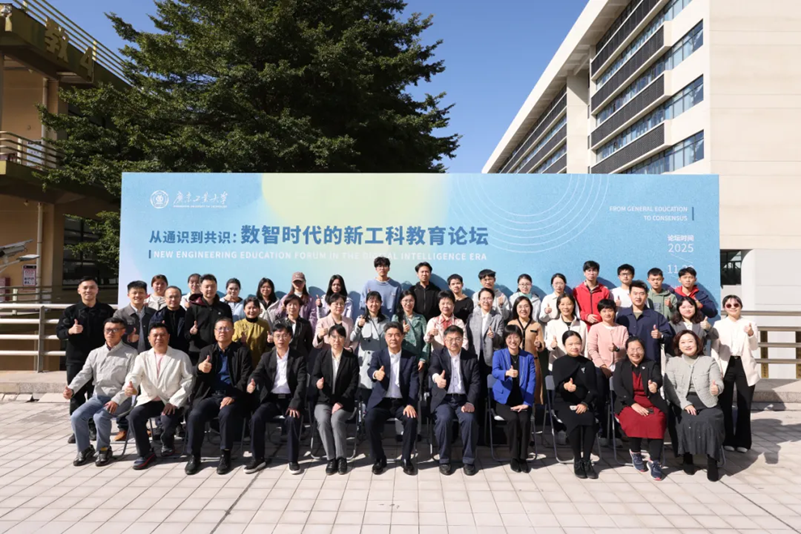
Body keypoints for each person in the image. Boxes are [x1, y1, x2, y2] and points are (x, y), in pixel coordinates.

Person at [64, 317, 138, 467]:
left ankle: (104, 449)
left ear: (123, 332)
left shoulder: (131, 353)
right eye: (107, 330)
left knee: (100, 417)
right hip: (98, 397)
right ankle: (84, 449)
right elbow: (84, 374)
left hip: (121, 399)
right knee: (77, 416)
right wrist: (71, 388)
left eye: (115, 330)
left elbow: (130, 381)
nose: (110, 333)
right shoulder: (95, 353)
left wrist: (116, 400)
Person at [185, 317, 252, 475]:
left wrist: (233, 396)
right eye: (219, 329)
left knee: (226, 413)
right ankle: (194, 455)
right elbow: (194, 372)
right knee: (195, 415)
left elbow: (245, 378)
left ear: (233, 332)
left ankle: (225, 454)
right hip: (211, 396)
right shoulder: (206, 351)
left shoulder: (242, 351)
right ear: (215, 333)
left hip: (234, 396)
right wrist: (200, 368)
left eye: (227, 328)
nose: (223, 331)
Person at [123, 323, 194, 470]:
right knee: (134, 416)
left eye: (162, 335)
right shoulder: (142, 357)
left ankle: (167, 441)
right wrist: (130, 386)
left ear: (168, 337)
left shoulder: (180, 356)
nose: (159, 338)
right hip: (149, 399)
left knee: (167, 420)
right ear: (149, 338)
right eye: (155, 335)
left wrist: (174, 401)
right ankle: (145, 453)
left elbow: (189, 380)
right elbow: (134, 375)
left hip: (171, 400)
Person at [56, 276, 115, 444]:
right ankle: (78, 429)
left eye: (92, 287)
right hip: (77, 359)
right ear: (79, 290)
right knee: (76, 393)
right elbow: (59, 332)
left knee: (96, 394)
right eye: (85, 288)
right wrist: (71, 331)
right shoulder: (71, 311)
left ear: (97, 290)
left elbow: (116, 330)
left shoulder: (106, 311)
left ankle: (93, 427)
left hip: (101, 360)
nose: (88, 290)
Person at [245, 322, 307, 475]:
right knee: (256, 418)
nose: (281, 339)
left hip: (290, 399)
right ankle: (258, 458)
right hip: (271, 399)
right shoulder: (266, 357)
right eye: (277, 336)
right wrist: (252, 382)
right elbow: (257, 373)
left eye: (284, 335)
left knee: (292, 420)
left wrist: (295, 404)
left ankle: (292, 460)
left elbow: (302, 383)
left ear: (290, 337)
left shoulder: (298, 358)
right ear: (272, 338)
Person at [664, 330, 725, 481]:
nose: (687, 345)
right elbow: (670, 389)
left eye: (690, 341)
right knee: (685, 422)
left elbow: (718, 381)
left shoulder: (709, 361)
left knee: (710, 423)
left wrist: (716, 388)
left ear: (697, 343)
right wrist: (685, 404)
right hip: (682, 402)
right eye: (683, 342)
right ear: (678, 346)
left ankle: (712, 460)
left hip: (707, 401)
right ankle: (687, 457)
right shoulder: (673, 362)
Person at [365, 322, 420, 476]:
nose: (393, 338)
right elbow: (371, 369)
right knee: (369, 420)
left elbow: (414, 383)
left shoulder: (411, 357)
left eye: (397, 335)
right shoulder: (378, 355)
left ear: (402, 336)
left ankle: (406, 458)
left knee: (411, 420)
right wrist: (376, 374)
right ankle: (379, 458)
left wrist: (411, 404)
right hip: (381, 402)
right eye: (390, 335)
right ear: (385, 337)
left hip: (402, 403)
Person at [613, 336, 668, 481]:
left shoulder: (651, 364)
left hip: (651, 401)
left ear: (644, 350)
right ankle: (635, 452)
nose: (635, 353)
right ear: (626, 351)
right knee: (635, 418)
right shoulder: (621, 365)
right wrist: (633, 404)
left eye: (639, 349)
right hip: (628, 403)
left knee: (657, 420)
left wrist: (654, 385)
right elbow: (618, 388)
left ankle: (654, 460)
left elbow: (658, 378)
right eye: (632, 349)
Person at [430, 325, 481, 476]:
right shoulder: (438, 354)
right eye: (450, 339)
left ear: (462, 340)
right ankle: (444, 459)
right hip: (444, 399)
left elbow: (476, 383)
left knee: (469, 420)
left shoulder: (471, 357)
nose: (454, 342)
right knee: (443, 419)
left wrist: (470, 402)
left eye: (457, 339)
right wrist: (437, 378)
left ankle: (468, 460)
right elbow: (433, 369)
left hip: (463, 400)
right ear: (445, 340)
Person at [710, 295, 759, 453]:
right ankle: (727, 439)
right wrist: (716, 368)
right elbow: (715, 349)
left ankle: (743, 441)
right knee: (725, 404)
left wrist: (750, 334)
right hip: (726, 364)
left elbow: (754, 347)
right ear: (724, 308)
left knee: (745, 404)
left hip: (744, 365)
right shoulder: (719, 324)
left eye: (736, 304)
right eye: (729, 305)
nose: (732, 307)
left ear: (740, 306)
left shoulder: (750, 323)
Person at [312, 325, 360, 475]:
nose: (337, 340)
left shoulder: (351, 359)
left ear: (345, 339)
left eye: (340, 337)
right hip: (324, 400)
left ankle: (342, 458)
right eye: (333, 337)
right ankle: (331, 458)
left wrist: (341, 402)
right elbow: (314, 375)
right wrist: (317, 383)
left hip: (344, 402)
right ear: (328, 338)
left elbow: (353, 384)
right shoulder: (322, 356)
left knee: (336, 420)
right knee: (323, 420)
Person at [552, 330, 599, 479]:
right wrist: (566, 386)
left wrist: (585, 403)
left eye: (577, 343)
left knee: (589, 420)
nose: (574, 347)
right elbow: (557, 386)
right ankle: (578, 460)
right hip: (563, 403)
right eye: (570, 344)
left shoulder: (588, 364)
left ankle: (587, 460)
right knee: (574, 420)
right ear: (564, 346)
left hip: (583, 402)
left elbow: (593, 390)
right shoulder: (559, 363)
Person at [491, 325, 536, 473]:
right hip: (503, 400)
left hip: (522, 399)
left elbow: (531, 381)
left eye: (516, 337)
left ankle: (523, 457)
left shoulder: (528, 357)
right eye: (509, 337)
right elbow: (495, 372)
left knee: (524, 420)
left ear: (521, 339)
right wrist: (507, 373)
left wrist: (527, 403)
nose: (513, 340)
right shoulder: (499, 354)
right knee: (513, 419)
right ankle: (514, 457)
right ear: (505, 339)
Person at [586, 298, 629, 444]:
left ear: (614, 311)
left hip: (619, 368)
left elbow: (626, 348)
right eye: (604, 311)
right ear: (600, 313)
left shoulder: (622, 329)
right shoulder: (595, 328)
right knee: (601, 400)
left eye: (610, 310)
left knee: (617, 400)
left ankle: (616, 432)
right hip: (600, 368)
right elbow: (592, 349)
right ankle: (603, 431)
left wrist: (617, 349)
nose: (607, 313)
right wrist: (602, 365)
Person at [616, 281, 673, 364]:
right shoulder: (622, 315)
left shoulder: (656, 317)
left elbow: (669, 336)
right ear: (629, 295)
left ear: (647, 295)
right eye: (635, 293)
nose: (638, 297)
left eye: (642, 294)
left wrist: (660, 335)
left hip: (650, 361)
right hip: (627, 362)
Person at [185, 274, 233, 364]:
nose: (210, 289)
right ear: (201, 288)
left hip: (219, 352)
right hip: (197, 353)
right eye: (207, 287)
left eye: (212, 286)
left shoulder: (225, 308)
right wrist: (192, 333)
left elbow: (230, 329)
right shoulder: (193, 308)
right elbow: (186, 334)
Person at [351, 291, 389, 396]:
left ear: (381, 303)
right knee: (366, 393)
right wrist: (359, 326)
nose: (374, 304)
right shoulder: (361, 319)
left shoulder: (386, 320)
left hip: (381, 361)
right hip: (366, 362)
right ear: (366, 303)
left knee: (381, 392)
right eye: (371, 301)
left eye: (377, 301)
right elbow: (352, 338)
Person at [507, 296, 544, 405]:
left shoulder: (536, 325)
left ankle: (533, 414)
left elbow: (542, 346)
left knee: (534, 391)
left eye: (526, 306)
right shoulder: (511, 324)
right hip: (515, 362)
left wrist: (539, 345)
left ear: (531, 308)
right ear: (516, 308)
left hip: (533, 362)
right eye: (520, 306)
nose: (523, 309)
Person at [544, 294, 587, 365]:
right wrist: (552, 346)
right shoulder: (552, 324)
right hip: (558, 364)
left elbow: (586, 347)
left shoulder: (582, 325)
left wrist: (585, 363)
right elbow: (548, 343)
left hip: (578, 364)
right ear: (558, 306)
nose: (566, 307)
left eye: (569, 304)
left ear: (573, 305)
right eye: (562, 304)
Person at [114, 280, 155, 355]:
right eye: (134, 293)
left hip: (149, 355)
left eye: (141, 293)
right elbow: (114, 334)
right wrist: (128, 338)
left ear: (146, 295)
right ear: (128, 295)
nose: (137, 295)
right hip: (127, 355)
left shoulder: (153, 313)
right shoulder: (120, 314)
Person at [392, 289, 428, 369]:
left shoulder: (420, 318)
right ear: (401, 302)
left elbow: (426, 340)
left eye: (411, 300)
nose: (408, 303)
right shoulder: (396, 318)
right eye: (405, 300)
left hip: (418, 358)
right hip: (401, 358)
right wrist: (402, 332)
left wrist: (423, 359)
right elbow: (392, 339)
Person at [234, 297, 272, 367]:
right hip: (241, 363)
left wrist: (270, 343)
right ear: (244, 310)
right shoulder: (238, 324)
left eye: (254, 308)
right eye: (249, 308)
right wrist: (240, 342)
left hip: (259, 362)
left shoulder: (264, 324)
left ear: (259, 309)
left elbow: (267, 347)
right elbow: (232, 344)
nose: (251, 310)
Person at [572, 260, 610, 329]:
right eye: (589, 270)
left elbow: (607, 308)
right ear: (584, 273)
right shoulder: (577, 290)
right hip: (582, 326)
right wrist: (586, 316)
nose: (591, 273)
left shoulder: (604, 290)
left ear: (598, 273)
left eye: (594, 270)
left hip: (600, 325)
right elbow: (574, 308)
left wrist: (598, 317)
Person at [151, 286, 189, 353]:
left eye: (176, 297)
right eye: (170, 297)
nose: (173, 299)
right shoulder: (158, 316)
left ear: (180, 298)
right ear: (165, 299)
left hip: (183, 352)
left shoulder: (187, 315)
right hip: (164, 352)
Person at [283, 293, 314, 357]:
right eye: (290, 304)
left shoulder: (305, 324)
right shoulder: (280, 323)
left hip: (300, 357)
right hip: (284, 356)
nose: (292, 307)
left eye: (295, 304)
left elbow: (309, 343)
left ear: (299, 306)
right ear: (286, 307)